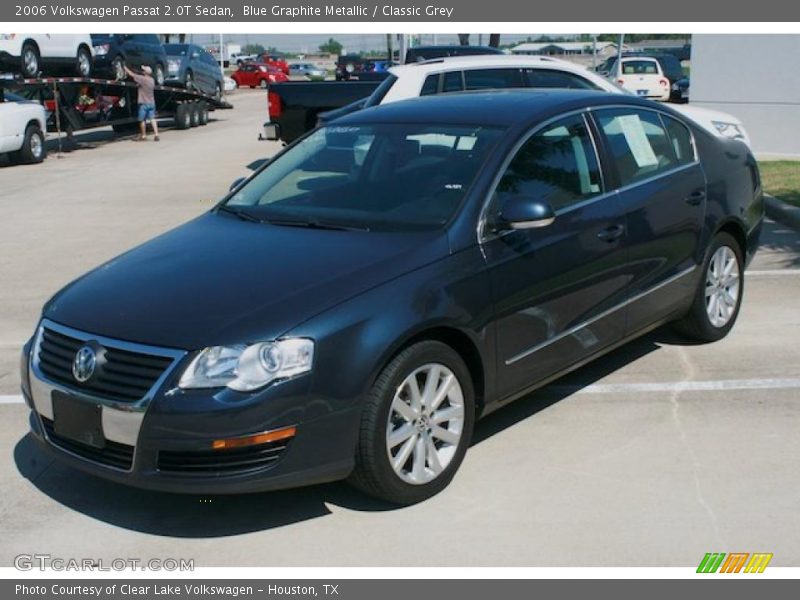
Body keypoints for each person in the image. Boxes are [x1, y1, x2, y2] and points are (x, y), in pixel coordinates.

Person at [124, 65, 160, 142]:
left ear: (145, 72)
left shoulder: (142, 79)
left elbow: (132, 74)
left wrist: (124, 67)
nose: (142, 71)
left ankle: (143, 136)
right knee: (152, 119)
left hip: (143, 103)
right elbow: (141, 85)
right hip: (151, 102)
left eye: (143, 70)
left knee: (142, 120)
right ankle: (156, 135)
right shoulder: (152, 80)